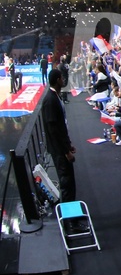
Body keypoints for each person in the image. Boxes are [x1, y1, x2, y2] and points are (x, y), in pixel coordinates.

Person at [41, 69, 76, 202]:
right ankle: (68, 220)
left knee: (69, 182)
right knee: (66, 183)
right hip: (59, 151)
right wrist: (65, 151)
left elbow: (60, 127)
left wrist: (68, 144)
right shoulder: (50, 100)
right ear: (57, 80)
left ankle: (71, 214)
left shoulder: (55, 97)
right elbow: (53, 130)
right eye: (62, 78)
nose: (64, 80)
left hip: (62, 148)